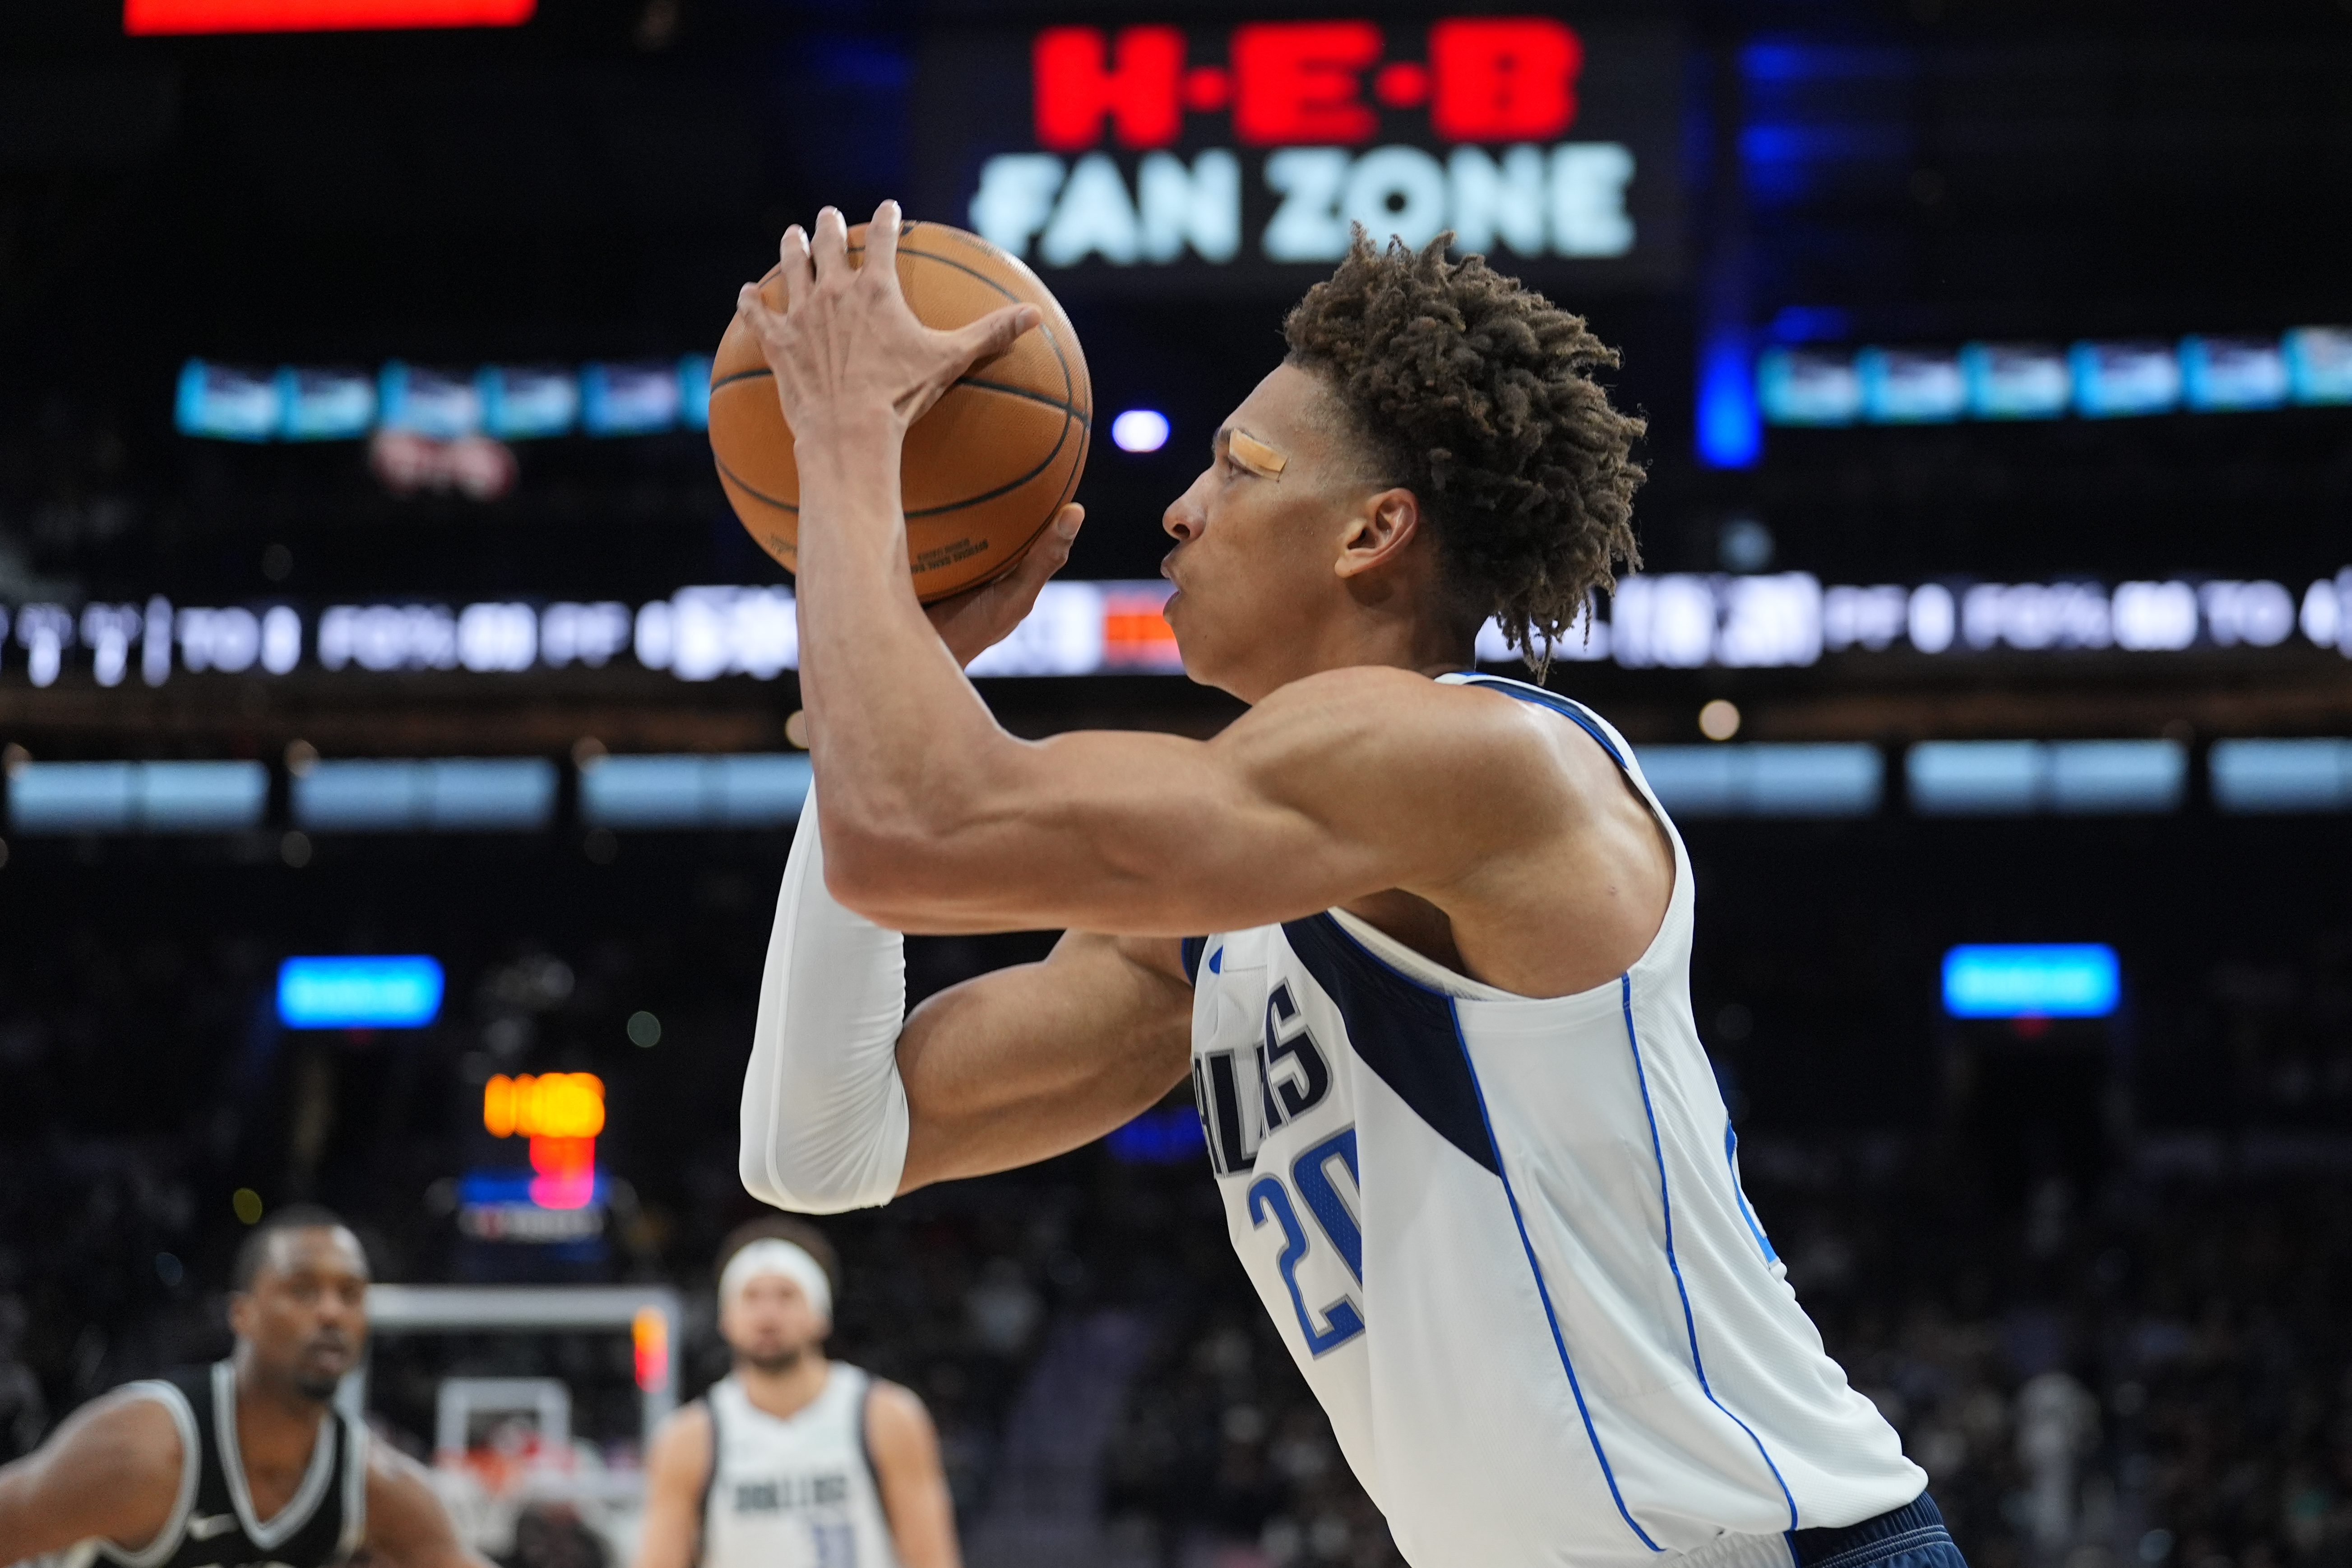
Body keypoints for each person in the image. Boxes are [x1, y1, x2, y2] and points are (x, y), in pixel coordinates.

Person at [730, 203, 1959, 1568]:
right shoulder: (1224, 916)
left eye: (1240, 469)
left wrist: (847, 454)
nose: (1181, 510)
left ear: (1374, 531)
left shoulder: (1479, 758)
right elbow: (822, 1143)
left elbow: (913, 829)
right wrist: (893, 656)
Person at [0, 1206, 492, 1568]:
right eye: (302, 1289)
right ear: (243, 1314)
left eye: (350, 1295)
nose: (331, 1312)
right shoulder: (145, 1451)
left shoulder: (372, 1483)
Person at [632, 1219, 955, 1568]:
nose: (768, 1314)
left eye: (787, 1295)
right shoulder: (690, 1437)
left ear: (821, 1313)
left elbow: (933, 1559)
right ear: (726, 1318)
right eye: (751, 1296)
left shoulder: (885, 1416)